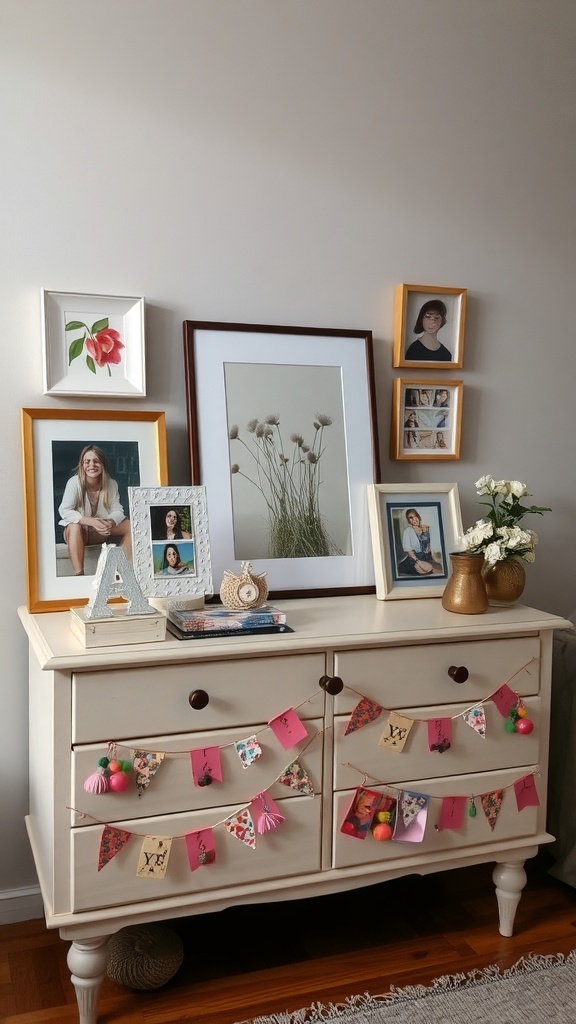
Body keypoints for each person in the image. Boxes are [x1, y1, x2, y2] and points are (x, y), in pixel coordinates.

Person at [58, 445, 131, 575]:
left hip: (100, 530)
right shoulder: (74, 482)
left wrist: (111, 521)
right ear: (82, 465)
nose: (92, 465)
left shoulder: (111, 483)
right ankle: (79, 574)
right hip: (79, 532)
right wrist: (91, 522)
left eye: (96, 461)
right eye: (87, 461)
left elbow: (118, 510)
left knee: (132, 526)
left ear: (102, 464)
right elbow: (65, 510)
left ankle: (122, 571)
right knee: (74, 526)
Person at [398, 508, 443, 576]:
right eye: (411, 518)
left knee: (440, 568)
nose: (414, 519)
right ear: (408, 521)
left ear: (418, 517)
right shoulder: (408, 531)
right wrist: (418, 562)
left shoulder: (427, 528)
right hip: (415, 558)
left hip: (429, 557)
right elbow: (409, 551)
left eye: (415, 516)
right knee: (430, 570)